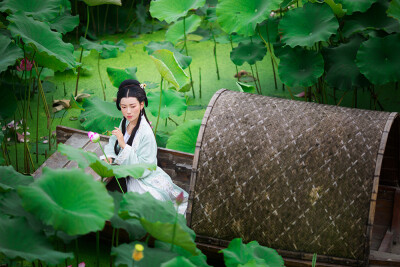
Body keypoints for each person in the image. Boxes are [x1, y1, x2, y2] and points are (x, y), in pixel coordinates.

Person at [101, 79, 188, 215]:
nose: (128, 111)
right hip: (125, 172)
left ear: (141, 105)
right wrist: (111, 155)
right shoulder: (124, 122)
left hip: (142, 179)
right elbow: (113, 141)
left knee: (152, 205)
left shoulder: (146, 132)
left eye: (132, 106)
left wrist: (124, 145)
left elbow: (145, 168)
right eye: (124, 107)